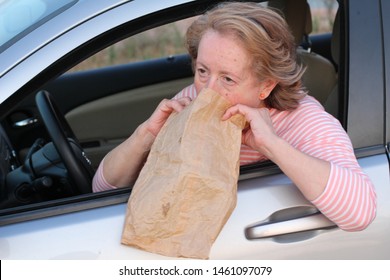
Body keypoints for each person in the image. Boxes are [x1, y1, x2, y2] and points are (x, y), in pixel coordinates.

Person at [93, 2, 376, 231]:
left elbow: (360, 213)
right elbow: (102, 190)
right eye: (203, 71)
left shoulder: (304, 120)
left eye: (228, 79)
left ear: (266, 85)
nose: (207, 91)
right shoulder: (192, 96)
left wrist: (272, 146)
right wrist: (146, 135)